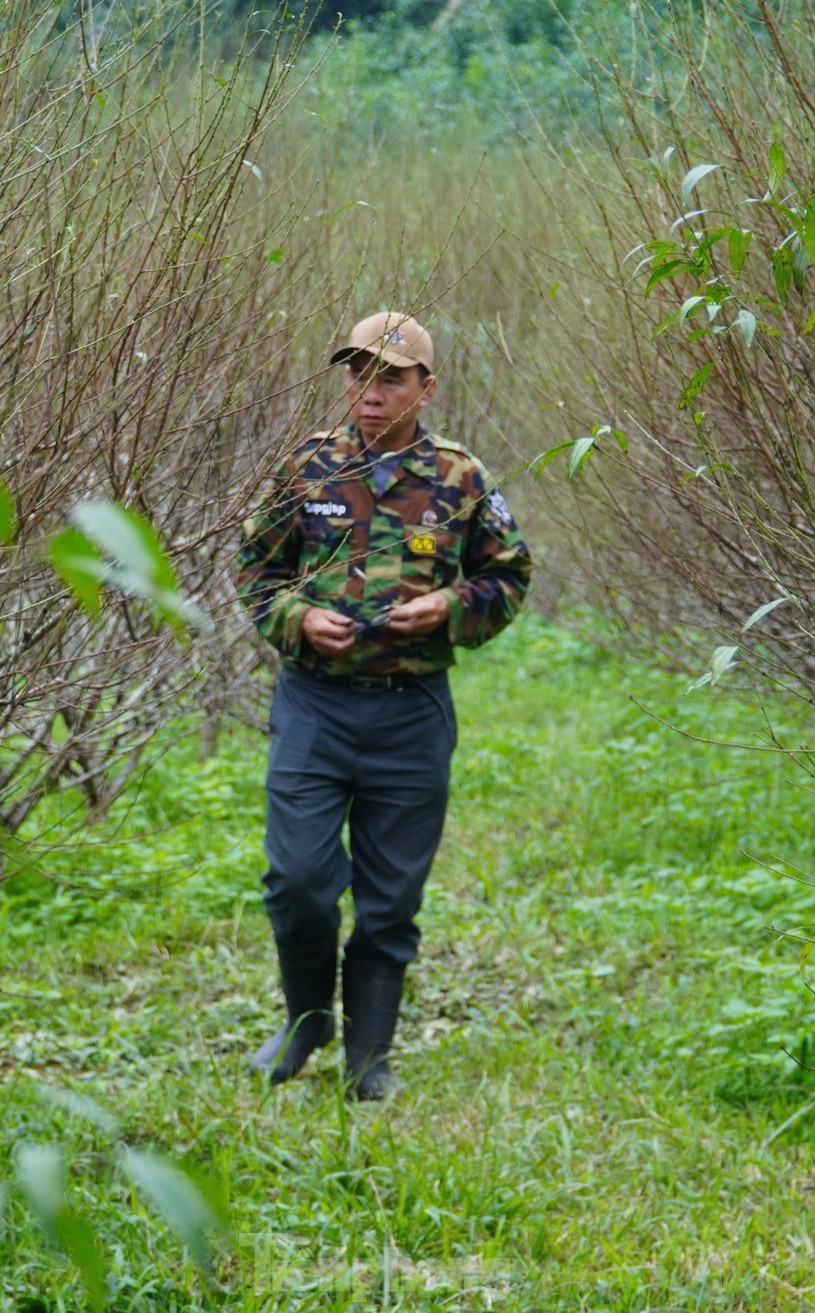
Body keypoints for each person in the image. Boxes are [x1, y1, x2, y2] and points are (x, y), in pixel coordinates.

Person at [234, 311, 535, 1100]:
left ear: (426, 389)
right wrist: (299, 619)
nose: (370, 392)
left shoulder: (461, 479)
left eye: (390, 377)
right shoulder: (305, 469)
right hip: (315, 707)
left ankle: (371, 1058)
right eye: (359, 373)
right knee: (297, 880)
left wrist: (448, 609)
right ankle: (307, 1024)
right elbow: (256, 575)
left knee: (389, 897)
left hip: (411, 713)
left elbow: (509, 579)